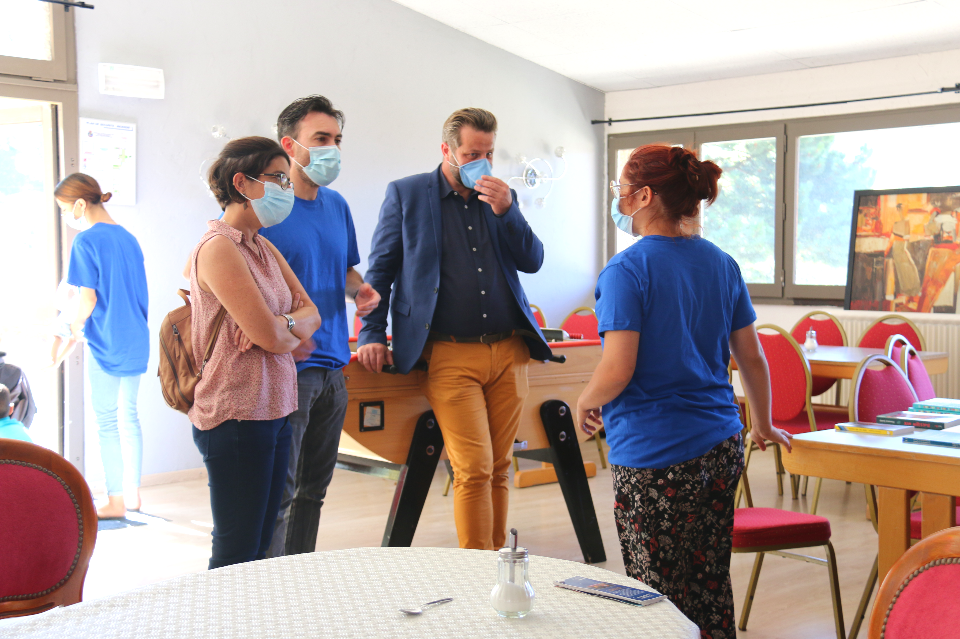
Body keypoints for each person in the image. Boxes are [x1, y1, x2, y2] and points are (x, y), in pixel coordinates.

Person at [575, 144, 792, 638]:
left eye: (622, 192)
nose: (619, 200)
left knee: (655, 596)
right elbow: (752, 358)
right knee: (709, 582)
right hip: (720, 445)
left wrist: (587, 400)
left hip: (655, 452)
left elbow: (617, 369)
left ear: (645, 196)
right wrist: (763, 422)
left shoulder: (626, 270)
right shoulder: (722, 264)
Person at [357, 107, 551, 551]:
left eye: (488, 152)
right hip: (448, 353)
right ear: (446, 150)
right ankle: (475, 571)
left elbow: (533, 260)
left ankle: (500, 567)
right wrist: (371, 333)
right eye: (470, 153)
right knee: (474, 466)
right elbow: (380, 271)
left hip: (509, 350)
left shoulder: (501, 198)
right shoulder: (406, 194)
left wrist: (508, 211)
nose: (480, 161)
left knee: (501, 464)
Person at [189, 136, 321, 569]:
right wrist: (283, 329)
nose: (288, 187)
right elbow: (270, 336)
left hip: (275, 407)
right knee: (237, 551)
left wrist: (283, 326)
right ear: (243, 183)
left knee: (262, 547)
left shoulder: (261, 246)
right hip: (237, 413)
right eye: (278, 178)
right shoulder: (219, 247)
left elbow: (312, 314)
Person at [258, 95, 380, 558]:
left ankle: (299, 577)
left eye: (337, 140)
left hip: (334, 367)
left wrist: (361, 291)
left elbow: (344, 271)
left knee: (313, 492)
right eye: (321, 139)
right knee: (281, 494)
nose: (333, 149)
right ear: (290, 145)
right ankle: (269, 590)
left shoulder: (337, 206)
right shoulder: (268, 211)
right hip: (289, 368)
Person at [56, 173, 149, 519]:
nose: (67, 215)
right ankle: (134, 495)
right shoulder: (129, 239)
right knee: (130, 417)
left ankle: (115, 502)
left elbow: (88, 299)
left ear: (80, 204)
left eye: (66, 208)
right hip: (136, 338)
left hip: (107, 342)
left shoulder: (86, 241)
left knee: (108, 421)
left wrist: (71, 327)